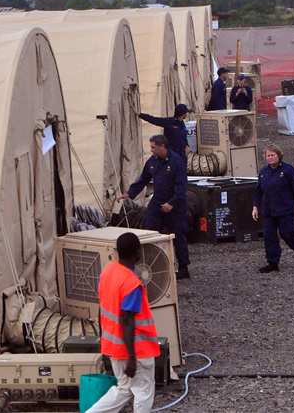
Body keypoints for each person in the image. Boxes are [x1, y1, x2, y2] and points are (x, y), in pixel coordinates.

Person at [86, 232, 159, 413]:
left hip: (113, 347)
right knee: (143, 391)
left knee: (124, 389)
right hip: (136, 350)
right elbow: (127, 321)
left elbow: (103, 308)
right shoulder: (131, 284)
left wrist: (102, 338)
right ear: (137, 253)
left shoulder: (107, 272)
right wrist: (132, 358)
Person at [117, 135, 190, 279]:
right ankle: (152, 264)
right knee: (149, 231)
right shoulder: (153, 161)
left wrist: (172, 203)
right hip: (157, 202)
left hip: (175, 204)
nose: (151, 150)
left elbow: (182, 187)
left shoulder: (177, 161)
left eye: (153, 147)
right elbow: (143, 179)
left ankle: (183, 267)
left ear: (162, 147)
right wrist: (129, 194)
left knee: (178, 235)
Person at [252, 144, 294, 273]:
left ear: (279, 155)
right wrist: (255, 206)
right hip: (269, 210)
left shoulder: (288, 170)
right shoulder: (263, 172)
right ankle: (272, 262)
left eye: (273, 155)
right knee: (269, 236)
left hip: (285, 209)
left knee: (288, 234)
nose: (270, 158)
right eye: (268, 155)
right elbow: (258, 191)